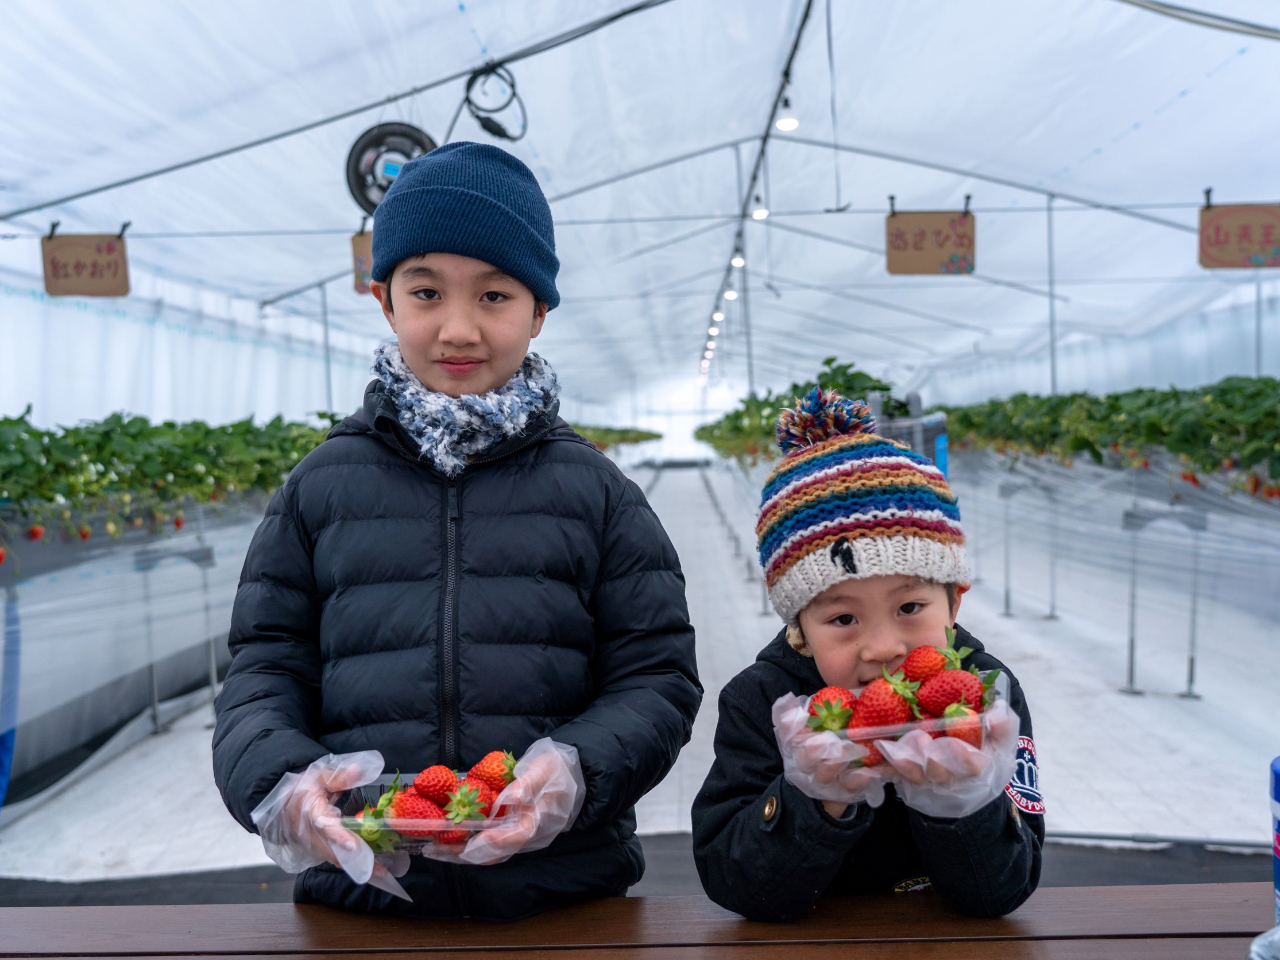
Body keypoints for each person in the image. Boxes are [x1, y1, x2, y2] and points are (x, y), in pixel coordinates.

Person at [212, 141, 702, 919]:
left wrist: (577, 769)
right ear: (385, 301)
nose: (459, 328)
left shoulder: (599, 494)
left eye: (496, 296)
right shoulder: (320, 488)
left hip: (562, 894)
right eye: (427, 292)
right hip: (364, 896)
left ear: (539, 311)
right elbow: (264, 667)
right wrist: (280, 778)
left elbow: (656, 675)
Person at [691, 388, 1043, 920]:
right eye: (843, 619)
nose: (883, 648)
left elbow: (1003, 892)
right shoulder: (761, 700)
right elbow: (734, 885)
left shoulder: (984, 691)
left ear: (954, 602)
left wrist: (962, 800)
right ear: (801, 631)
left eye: (909, 606)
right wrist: (814, 798)